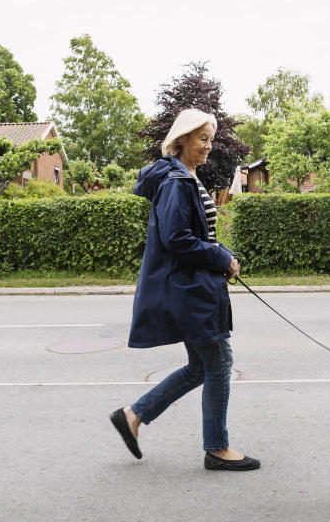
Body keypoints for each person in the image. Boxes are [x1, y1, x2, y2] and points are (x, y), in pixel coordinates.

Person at [109, 108, 260, 471]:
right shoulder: (177, 181)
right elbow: (177, 239)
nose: (208, 146)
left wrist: (222, 256)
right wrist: (222, 258)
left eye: (211, 139)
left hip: (193, 286)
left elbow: (199, 235)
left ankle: (133, 415)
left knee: (199, 367)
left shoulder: (186, 175)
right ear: (181, 141)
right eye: (202, 139)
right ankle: (217, 448)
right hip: (189, 289)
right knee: (219, 363)